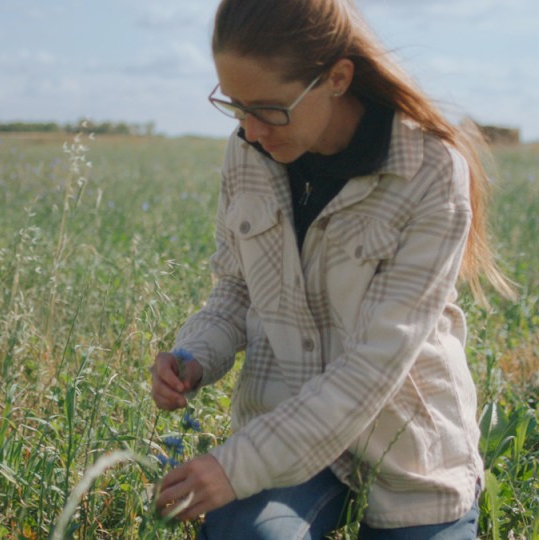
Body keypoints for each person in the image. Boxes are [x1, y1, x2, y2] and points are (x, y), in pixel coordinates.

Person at [150, 0, 513, 537]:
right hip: (284, 431)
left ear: (337, 78)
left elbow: (372, 367)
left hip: (407, 455)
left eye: (270, 110)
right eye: (236, 106)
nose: (251, 131)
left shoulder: (430, 174)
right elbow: (237, 288)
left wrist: (235, 467)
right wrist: (194, 356)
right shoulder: (248, 153)